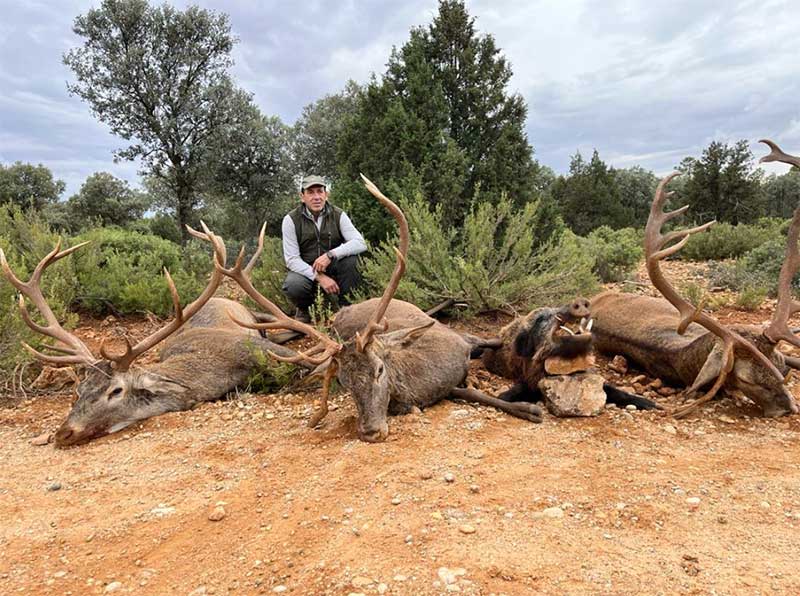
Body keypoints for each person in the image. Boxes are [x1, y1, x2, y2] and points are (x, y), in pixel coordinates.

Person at [281, 175, 367, 322]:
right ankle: (305, 311)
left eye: (320, 191)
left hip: (334, 268)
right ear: (302, 197)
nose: (316, 197)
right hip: (307, 272)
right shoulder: (291, 220)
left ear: (326, 195)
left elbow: (360, 242)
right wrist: (319, 276)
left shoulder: (338, 214)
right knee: (293, 284)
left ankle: (346, 311)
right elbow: (292, 260)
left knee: (353, 262)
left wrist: (331, 255)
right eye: (311, 192)